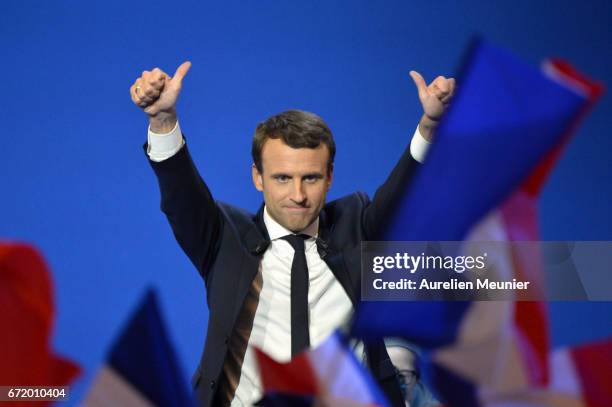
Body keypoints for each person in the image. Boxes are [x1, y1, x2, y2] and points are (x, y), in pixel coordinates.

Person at [130, 61, 455, 406]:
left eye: (310, 178)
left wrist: (431, 125)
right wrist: (162, 121)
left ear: (329, 177)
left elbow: (404, 195)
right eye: (283, 178)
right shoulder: (223, 238)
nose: (298, 195)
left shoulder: (356, 225)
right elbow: (182, 197)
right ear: (258, 177)